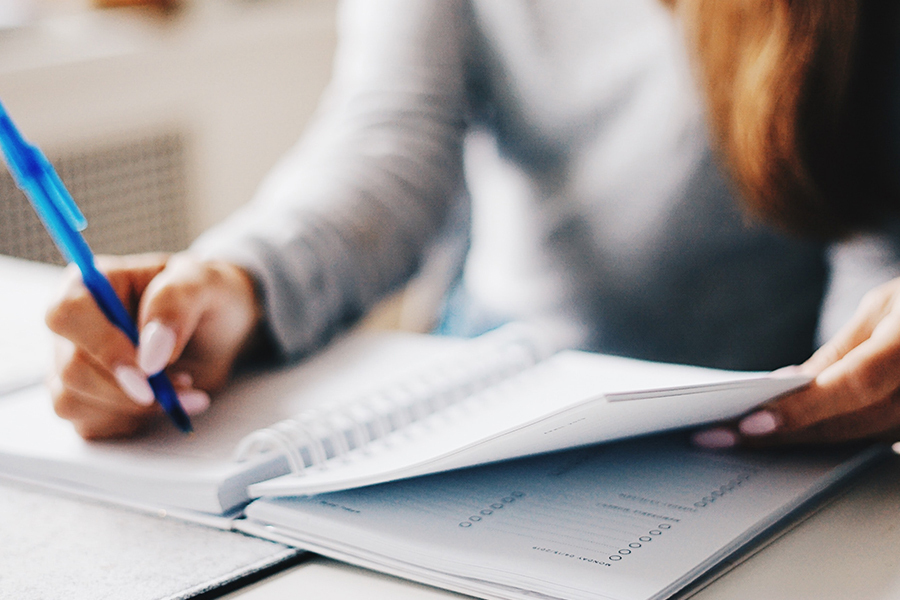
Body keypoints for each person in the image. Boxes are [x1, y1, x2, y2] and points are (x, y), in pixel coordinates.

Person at [44, 0, 900, 445]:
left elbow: (875, 210)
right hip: (499, 397)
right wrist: (236, 281)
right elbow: (390, 138)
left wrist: (859, 379)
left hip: (768, 418)